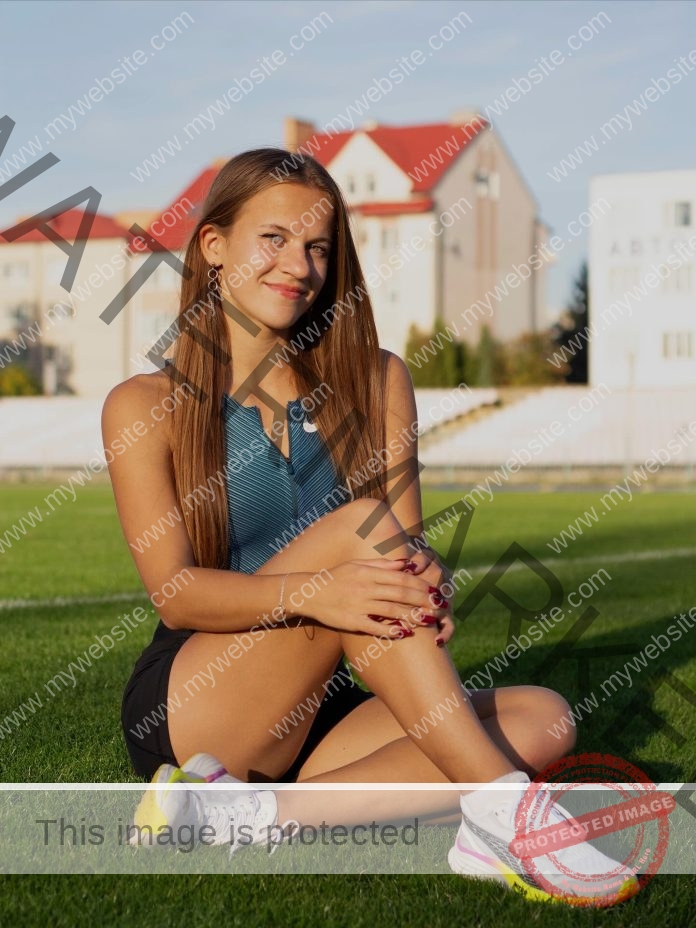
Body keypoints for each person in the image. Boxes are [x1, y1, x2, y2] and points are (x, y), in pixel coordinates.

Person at [102, 148, 637, 905]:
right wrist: (323, 588)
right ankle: (506, 814)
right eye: (275, 238)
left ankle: (245, 815)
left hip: (319, 706)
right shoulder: (142, 404)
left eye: (319, 247)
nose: (300, 264)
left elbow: (406, 549)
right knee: (362, 530)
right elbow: (177, 596)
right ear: (214, 248)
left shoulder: (378, 378)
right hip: (199, 706)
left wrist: (428, 585)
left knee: (543, 719)